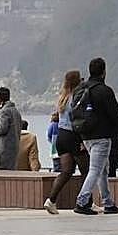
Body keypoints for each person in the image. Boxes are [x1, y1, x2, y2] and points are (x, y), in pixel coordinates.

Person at [73, 57, 118, 216]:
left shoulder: (81, 89)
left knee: (103, 169)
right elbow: (115, 114)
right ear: (104, 72)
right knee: (96, 169)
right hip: (101, 136)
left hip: (85, 135)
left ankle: (108, 202)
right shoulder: (104, 91)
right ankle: (82, 201)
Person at [44, 70, 89, 214]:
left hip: (61, 136)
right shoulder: (75, 98)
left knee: (66, 171)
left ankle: (51, 200)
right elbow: (77, 120)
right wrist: (83, 139)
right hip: (72, 136)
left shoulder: (62, 97)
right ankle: (85, 202)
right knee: (86, 171)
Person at [0, 87, 23, 170]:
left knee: (1, 173)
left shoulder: (4, 111)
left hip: (3, 149)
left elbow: (1, 129)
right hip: (14, 147)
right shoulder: (15, 111)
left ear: (0, 98)